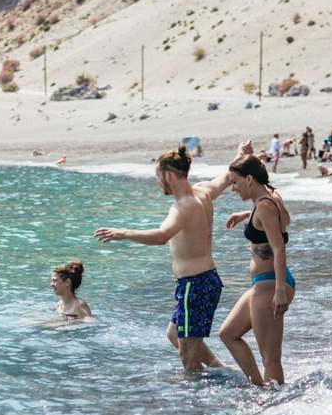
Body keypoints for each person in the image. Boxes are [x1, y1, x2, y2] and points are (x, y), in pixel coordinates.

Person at [94, 141, 252, 370]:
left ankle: (195, 398)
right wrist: (240, 153)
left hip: (195, 285)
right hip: (205, 281)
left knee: (188, 358)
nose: (157, 181)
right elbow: (228, 177)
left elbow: (161, 236)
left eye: (158, 176)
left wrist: (123, 233)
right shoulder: (204, 191)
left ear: (168, 176)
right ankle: (222, 370)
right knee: (175, 335)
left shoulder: (182, 207)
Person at [220, 155, 295, 386]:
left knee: (270, 358)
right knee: (228, 333)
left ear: (249, 179)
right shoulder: (270, 198)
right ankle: (260, 389)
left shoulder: (263, 206)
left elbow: (279, 248)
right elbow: (286, 221)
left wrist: (280, 291)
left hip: (271, 284)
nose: (232, 188)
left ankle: (276, 405)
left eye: (235, 182)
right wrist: (248, 216)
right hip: (264, 283)